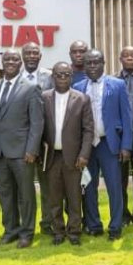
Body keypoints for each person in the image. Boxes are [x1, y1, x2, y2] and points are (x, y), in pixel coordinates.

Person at [73, 49, 133, 240]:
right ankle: (93, 225)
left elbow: (127, 116)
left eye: (96, 62)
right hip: (87, 146)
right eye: (89, 63)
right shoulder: (78, 86)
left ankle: (115, 227)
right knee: (88, 186)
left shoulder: (117, 85)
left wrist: (126, 146)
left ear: (103, 63)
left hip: (109, 144)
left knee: (114, 187)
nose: (92, 66)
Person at [0, 49, 44, 249]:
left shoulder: (31, 88)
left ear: (20, 63)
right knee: (5, 194)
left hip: (23, 152)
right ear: (2, 62)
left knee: (26, 195)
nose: (10, 62)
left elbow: (37, 123)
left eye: (14, 59)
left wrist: (32, 149)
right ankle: (10, 230)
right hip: (0, 152)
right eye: (7, 59)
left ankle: (27, 233)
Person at [42, 62, 94, 246]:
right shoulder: (44, 97)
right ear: (52, 77)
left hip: (74, 157)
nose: (62, 77)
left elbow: (88, 130)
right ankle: (58, 231)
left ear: (71, 76)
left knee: (74, 197)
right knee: (54, 197)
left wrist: (84, 154)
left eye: (66, 74)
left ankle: (74, 232)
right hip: (51, 157)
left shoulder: (82, 99)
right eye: (59, 74)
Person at [21, 41, 54, 236]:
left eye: (35, 53)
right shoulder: (16, 77)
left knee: (47, 185)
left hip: (47, 140)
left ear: (40, 56)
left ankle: (47, 223)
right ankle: (26, 225)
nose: (32, 56)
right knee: (24, 187)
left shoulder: (51, 77)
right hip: (22, 141)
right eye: (28, 53)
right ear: (23, 56)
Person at [117, 46, 133, 226]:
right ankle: (123, 215)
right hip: (121, 138)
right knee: (120, 179)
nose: (130, 58)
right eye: (126, 55)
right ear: (120, 59)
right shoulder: (113, 81)